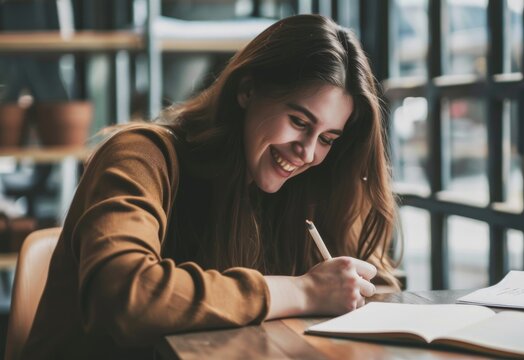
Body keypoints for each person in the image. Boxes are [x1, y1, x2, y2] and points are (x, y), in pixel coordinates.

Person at [21, 14, 399, 359]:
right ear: (247, 90)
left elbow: (374, 287)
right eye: (299, 121)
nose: (307, 152)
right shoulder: (141, 155)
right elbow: (127, 296)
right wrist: (303, 291)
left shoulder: (305, 188)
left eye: (328, 138)